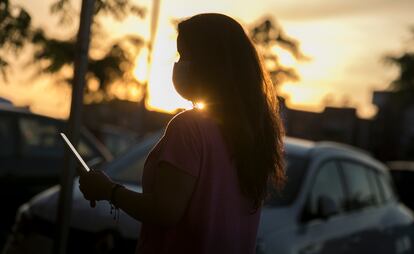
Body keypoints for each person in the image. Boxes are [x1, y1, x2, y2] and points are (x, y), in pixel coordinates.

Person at [79, 13, 286, 254]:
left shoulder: (189, 128)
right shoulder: (254, 134)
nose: (177, 65)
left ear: (210, 65)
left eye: (183, 56)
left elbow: (164, 211)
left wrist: (108, 190)